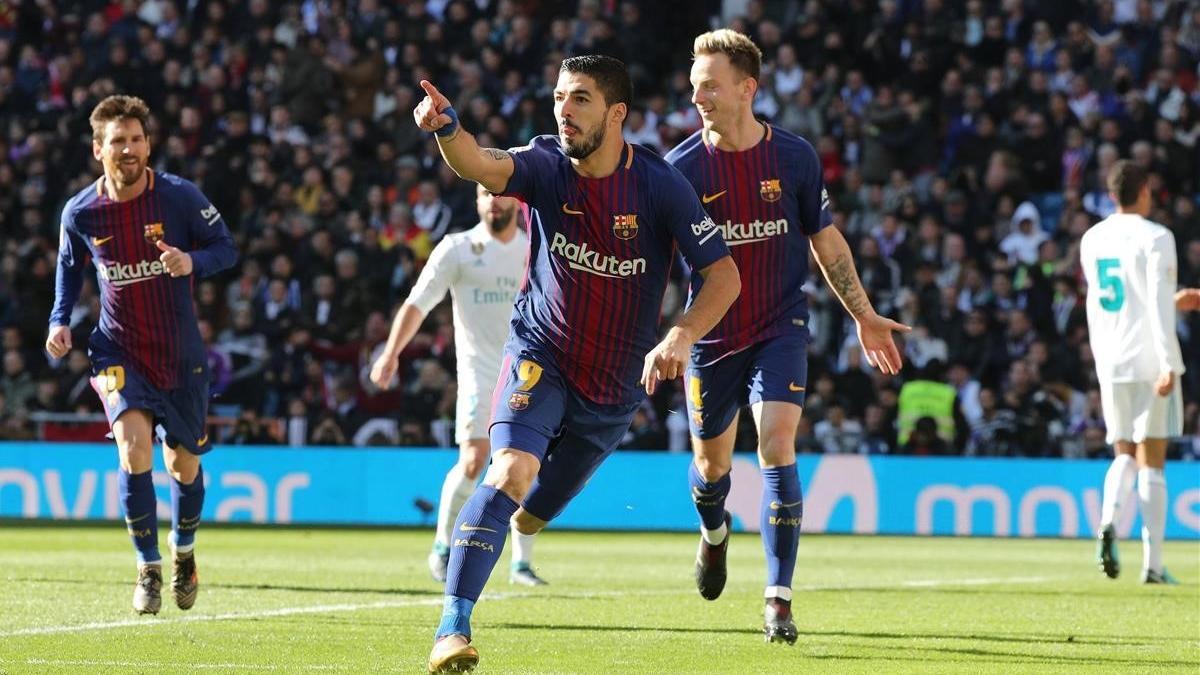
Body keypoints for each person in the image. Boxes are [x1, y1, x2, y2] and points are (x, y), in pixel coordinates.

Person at [414, 55, 740, 673]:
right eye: (560, 96)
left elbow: (723, 276)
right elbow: (481, 165)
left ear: (617, 113)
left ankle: (524, 526)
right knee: (507, 472)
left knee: (534, 513)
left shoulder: (659, 184)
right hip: (541, 354)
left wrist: (681, 335)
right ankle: (452, 627)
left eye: (581, 99)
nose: (564, 110)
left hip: (613, 387)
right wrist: (446, 129)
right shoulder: (544, 165)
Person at [664, 30, 910, 644]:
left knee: (777, 442)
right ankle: (714, 533)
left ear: (747, 88)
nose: (699, 96)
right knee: (710, 466)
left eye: (710, 85)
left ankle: (778, 598)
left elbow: (824, 240)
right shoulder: (681, 169)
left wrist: (863, 313)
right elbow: (656, 262)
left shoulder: (795, 157)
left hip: (780, 324)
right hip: (714, 338)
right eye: (694, 86)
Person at [45, 95, 238, 614]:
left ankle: (184, 554)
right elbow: (69, 267)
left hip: (179, 353)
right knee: (132, 449)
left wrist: (190, 261)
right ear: (97, 149)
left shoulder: (177, 196)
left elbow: (226, 247)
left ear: (148, 144)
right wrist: (59, 319)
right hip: (116, 346)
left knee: (183, 465)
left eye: (136, 140)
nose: (128, 150)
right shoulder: (81, 211)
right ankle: (147, 567)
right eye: (117, 142)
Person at [369, 184, 548, 587]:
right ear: (477, 201)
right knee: (472, 460)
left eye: (501, 195)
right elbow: (418, 303)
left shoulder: (534, 249)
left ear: (516, 203)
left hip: (529, 371)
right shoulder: (457, 248)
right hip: (479, 371)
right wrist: (390, 353)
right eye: (486, 194)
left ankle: (521, 562)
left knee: (525, 465)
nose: (494, 201)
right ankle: (442, 545)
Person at [1082, 160, 1185, 585]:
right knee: (1153, 462)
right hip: (1148, 360)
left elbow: (1119, 299)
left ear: (1111, 195)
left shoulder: (1092, 238)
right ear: (1145, 191)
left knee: (1123, 453)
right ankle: (1154, 565)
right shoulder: (1157, 237)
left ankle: (1108, 520)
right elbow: (1157, 304)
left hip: (1110, 358)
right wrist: (1170, 362)